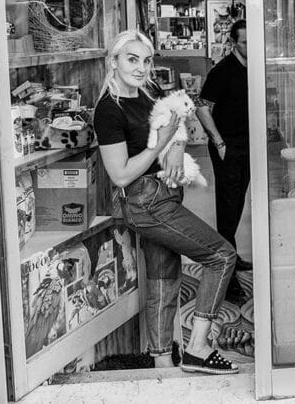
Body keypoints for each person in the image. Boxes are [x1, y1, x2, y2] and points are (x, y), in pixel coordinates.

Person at [94, 29, 238, 374]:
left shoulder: (144, 93)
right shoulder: (108, 111)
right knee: (221, 255)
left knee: (163, 277)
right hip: (146, 203)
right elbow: (122, 174)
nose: (141, 68)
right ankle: (198, 348)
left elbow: (178, 118)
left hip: (163, 195)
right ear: (113, 62)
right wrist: (161, 147)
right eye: (132, 59)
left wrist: (175, 147)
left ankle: (162, 362)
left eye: (146, 60)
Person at [196, 20, 252, 278]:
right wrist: (218, 142)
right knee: (228, 205)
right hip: (227, 146)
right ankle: (225, 267)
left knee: (238, 201)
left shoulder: (252, 68)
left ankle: (230, 254)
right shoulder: (222, 71)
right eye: (244, 42)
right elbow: (202, 107)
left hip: (247, 144)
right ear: (233, 42)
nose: (249, 47)